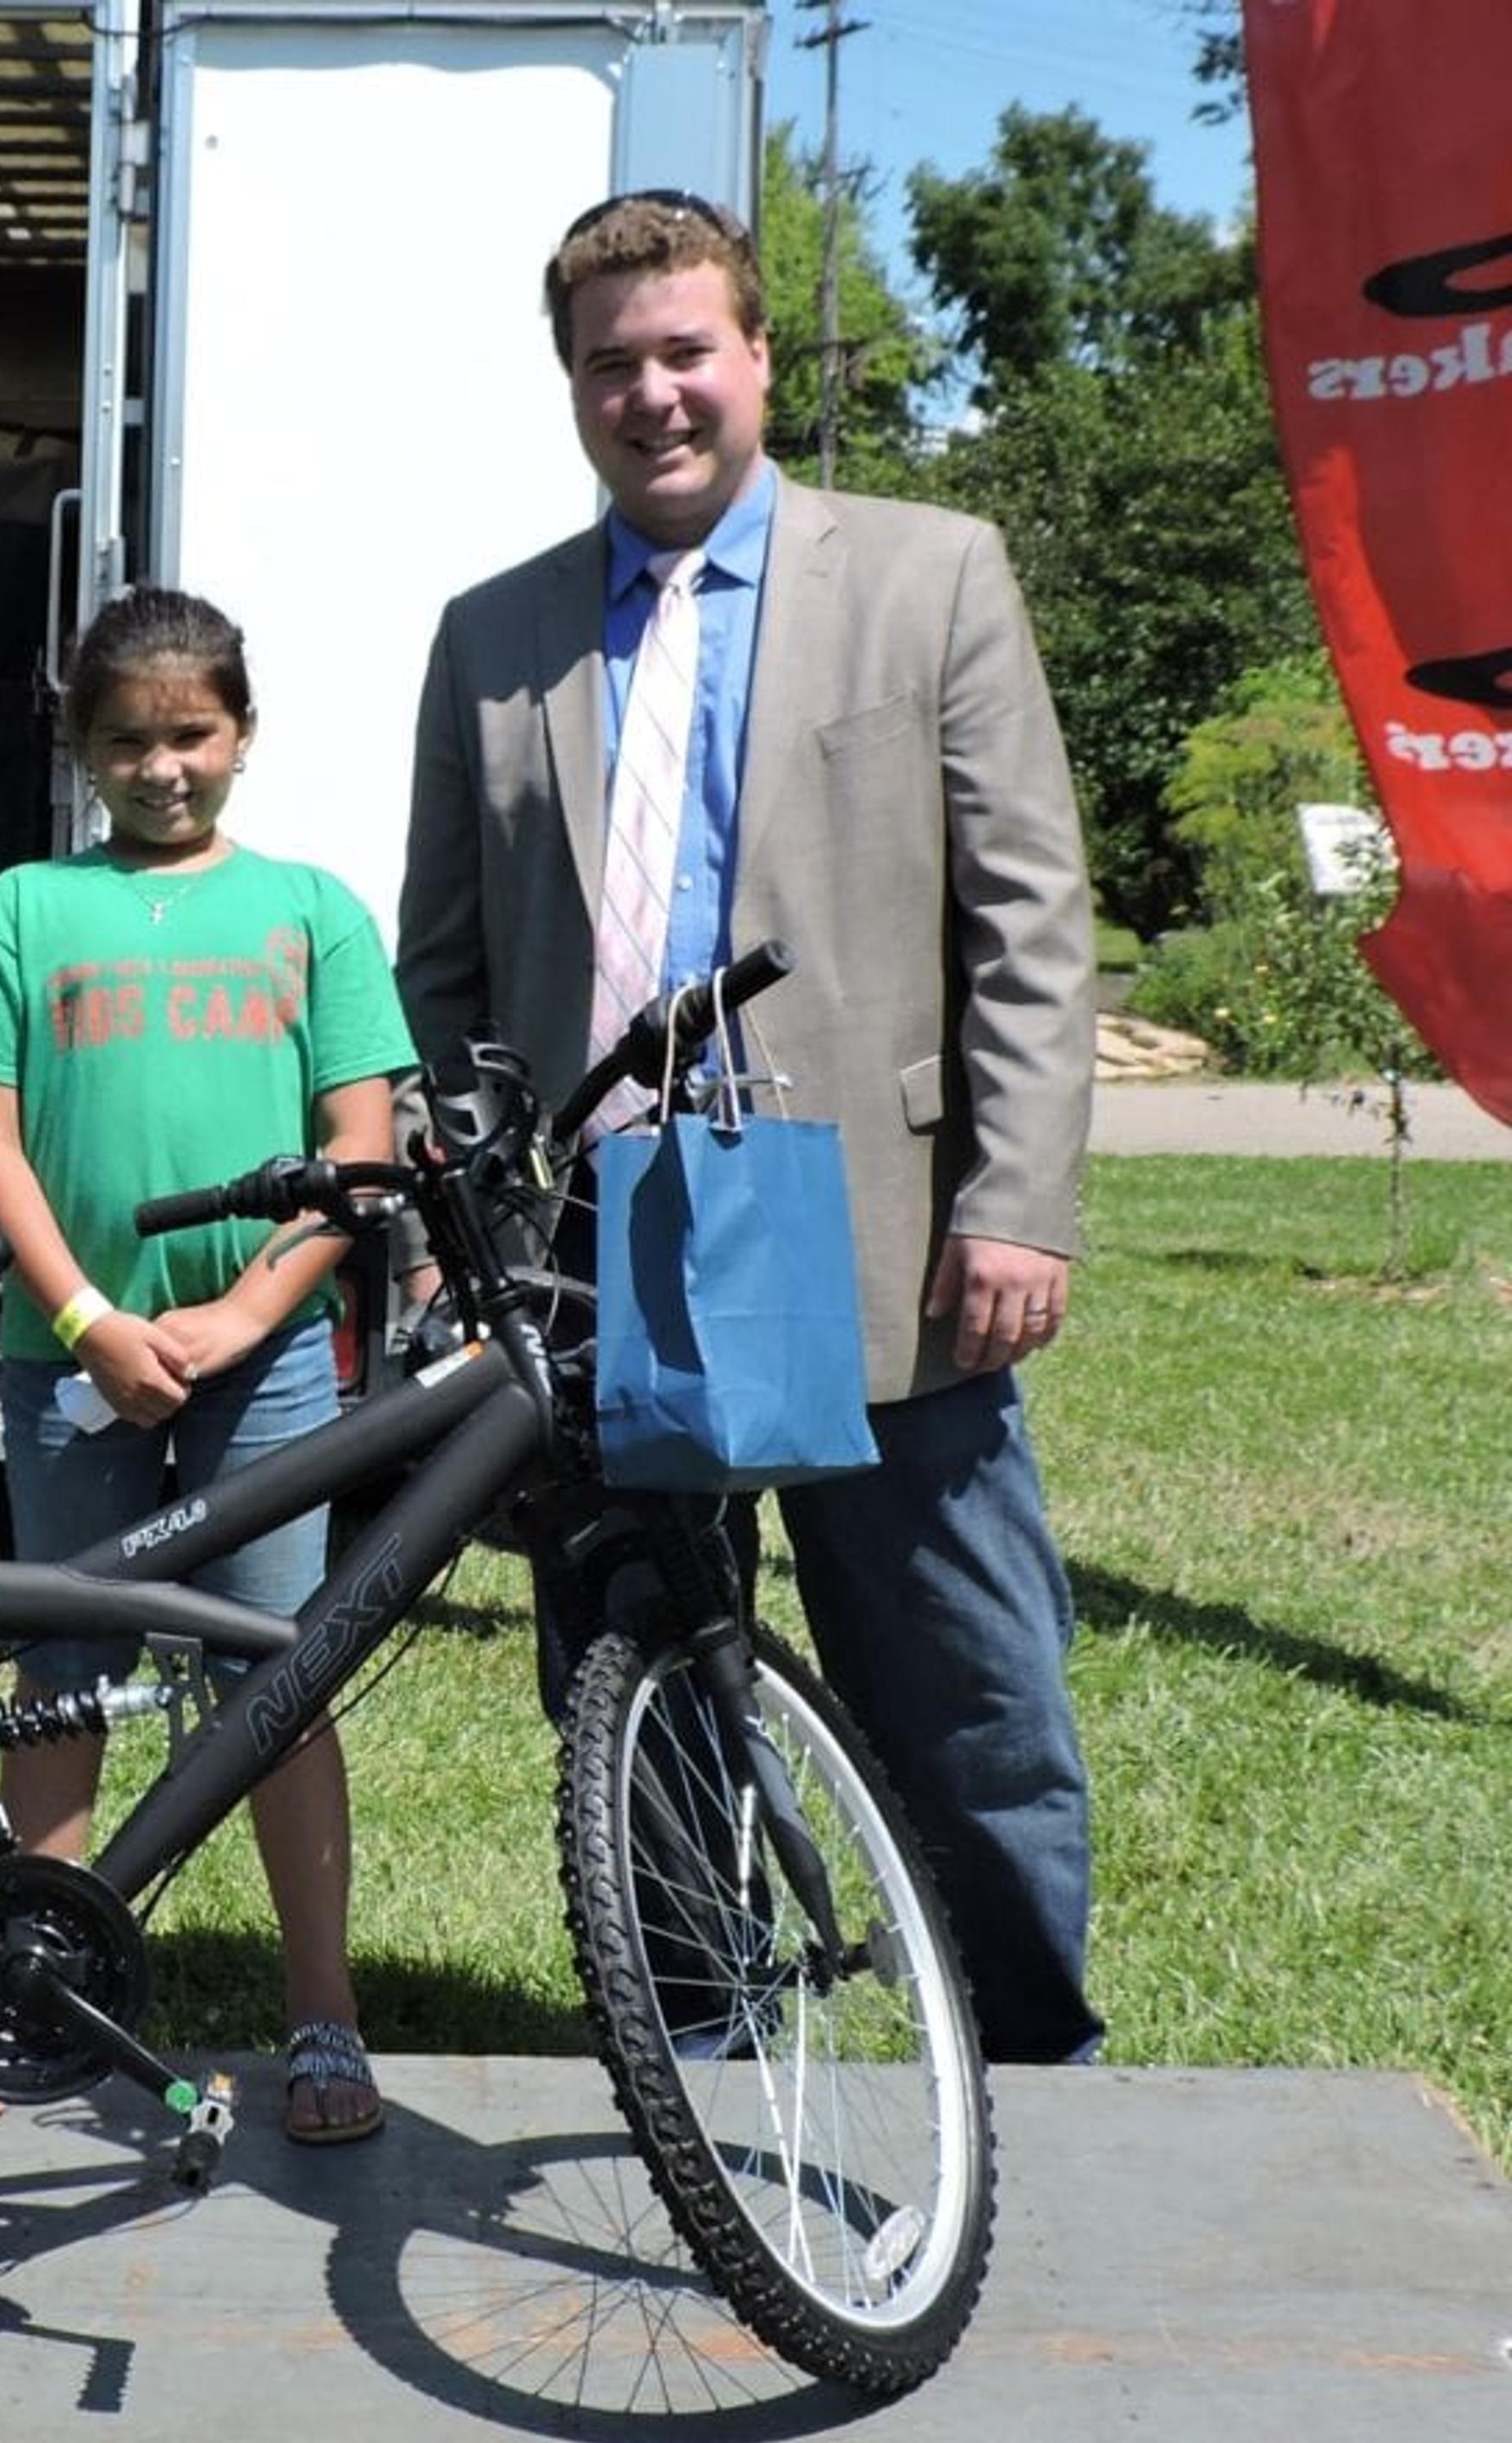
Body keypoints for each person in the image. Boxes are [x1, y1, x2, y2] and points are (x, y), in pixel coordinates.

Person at [396, 189, 1103, 2063]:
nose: (654, 394)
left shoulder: (934, 574)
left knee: (958, 1689)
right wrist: (473, 1246)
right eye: (612, 363)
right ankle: (707, 2065)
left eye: (686, 349)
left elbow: (1027, 918)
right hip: (603, 1245)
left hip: (882, 1234)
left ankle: (1030, 2065)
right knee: (639, 1688)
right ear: (571, 385)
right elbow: (445, 972)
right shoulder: (492, 639)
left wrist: (1017, 1201)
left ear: (760, 355)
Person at [0, 586, 411, 2144]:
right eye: (127, 739)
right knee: (59, 1687)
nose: (164, 765)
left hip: (259, 1367)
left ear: (243, 736)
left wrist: (251, 1316)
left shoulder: (313, 910)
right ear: (82, 749)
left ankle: (320, 2014)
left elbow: (362, 1144)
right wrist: (86, 1320)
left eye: (192, 733)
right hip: (74, 1353)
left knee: (274, 1680)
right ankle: (28, 1990)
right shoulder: (17, 912)